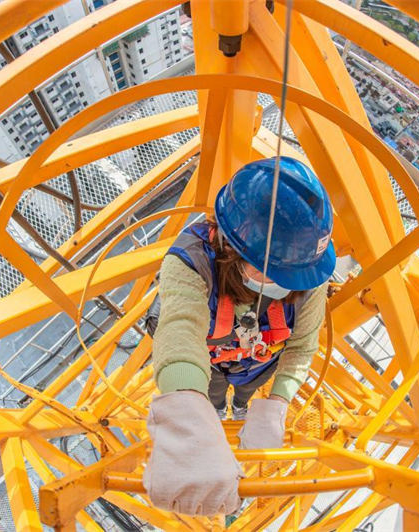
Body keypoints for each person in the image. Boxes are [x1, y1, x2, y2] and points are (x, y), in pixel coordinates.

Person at [142, 156, 336, 516]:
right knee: (213, 396)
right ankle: (214, 410)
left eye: (289, 274)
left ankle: (242, 407)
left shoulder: (309, 275)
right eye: (271, 271)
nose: (284, 283)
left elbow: (303, 345)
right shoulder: (191, 261)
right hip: (210, 365)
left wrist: (277, 404)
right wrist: (188, 411)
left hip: (258, 365)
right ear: (229, 247)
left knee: (245, 395)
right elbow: (180, 330)